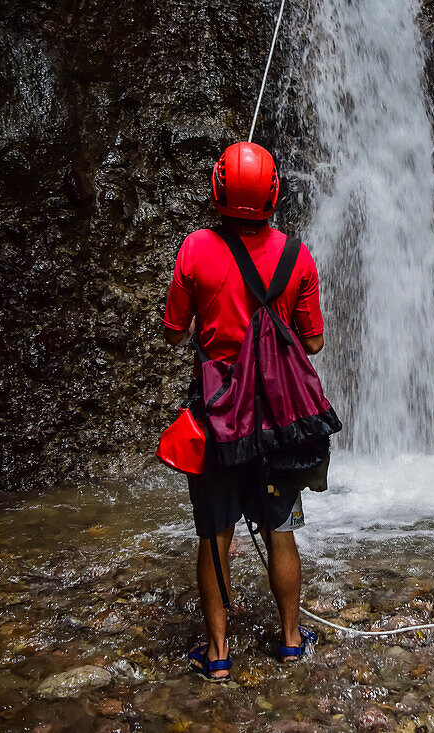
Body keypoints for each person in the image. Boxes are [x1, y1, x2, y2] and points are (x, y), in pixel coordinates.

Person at [162, 141, 325, 681]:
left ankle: (217, 654)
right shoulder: (298, 255)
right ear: (275, 194)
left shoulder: (195, 249)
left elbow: (172, 330)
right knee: (281, 528)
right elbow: (314, 342)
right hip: (279, 419)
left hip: (217, 417)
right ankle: (292, 640)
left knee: (216, 534)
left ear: (217, 189)